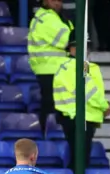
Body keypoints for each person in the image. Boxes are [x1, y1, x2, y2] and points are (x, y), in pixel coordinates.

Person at [53, 32, 110, 172]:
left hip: (76, 116)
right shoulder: (78, 66)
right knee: (80, 160)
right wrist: (104, 105)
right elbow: (89, 90)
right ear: (72, 49)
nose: (87, 50)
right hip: (80, 117)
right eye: (83, 46)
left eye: (87, 47)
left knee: (78, 158)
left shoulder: (70, 66)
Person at [28, 0, 73, 133]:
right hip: (50, 69)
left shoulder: (59, 18)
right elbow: (67, 39)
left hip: (61, 69)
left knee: (55, 105)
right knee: (51, 105)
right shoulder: (45, 18)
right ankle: (47, 135)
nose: (58, 3)